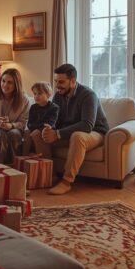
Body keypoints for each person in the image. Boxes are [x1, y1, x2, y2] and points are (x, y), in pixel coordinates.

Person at [30, 64, 109, 195]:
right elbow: (57, 120)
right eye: (55, 81)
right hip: (70, 132)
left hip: (95, 132)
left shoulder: (88, 95)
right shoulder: (58, 96)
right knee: (38, 133)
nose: (57, 85)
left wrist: (58, 133)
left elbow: (87, 125)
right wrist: (50, 129)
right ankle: (51, 175)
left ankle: (66, 182)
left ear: (73, 81)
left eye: (61, 82)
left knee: (77, 136)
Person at [22, 82, 59, 156]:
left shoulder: (54, 107)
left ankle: (45, 160)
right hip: (34, 130)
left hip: (47, 131)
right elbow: (29, 124)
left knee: (36, 133)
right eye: (35, 94)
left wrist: (36, 127)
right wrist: (37, 127)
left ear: (48, 95)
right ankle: (24, 158)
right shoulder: (33, 107)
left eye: (39, 94)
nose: (36, 96)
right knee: (27, 132)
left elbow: (49, 124)